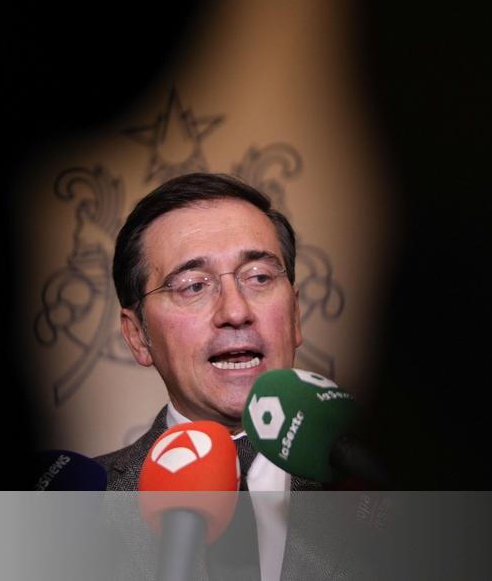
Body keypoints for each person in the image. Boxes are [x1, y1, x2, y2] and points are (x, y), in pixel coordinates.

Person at [96, 172, 324, 580]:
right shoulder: (78, 506)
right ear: (138, 336)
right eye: (192, 286)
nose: (235, 311)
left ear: (294, 316)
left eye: (259, 277)